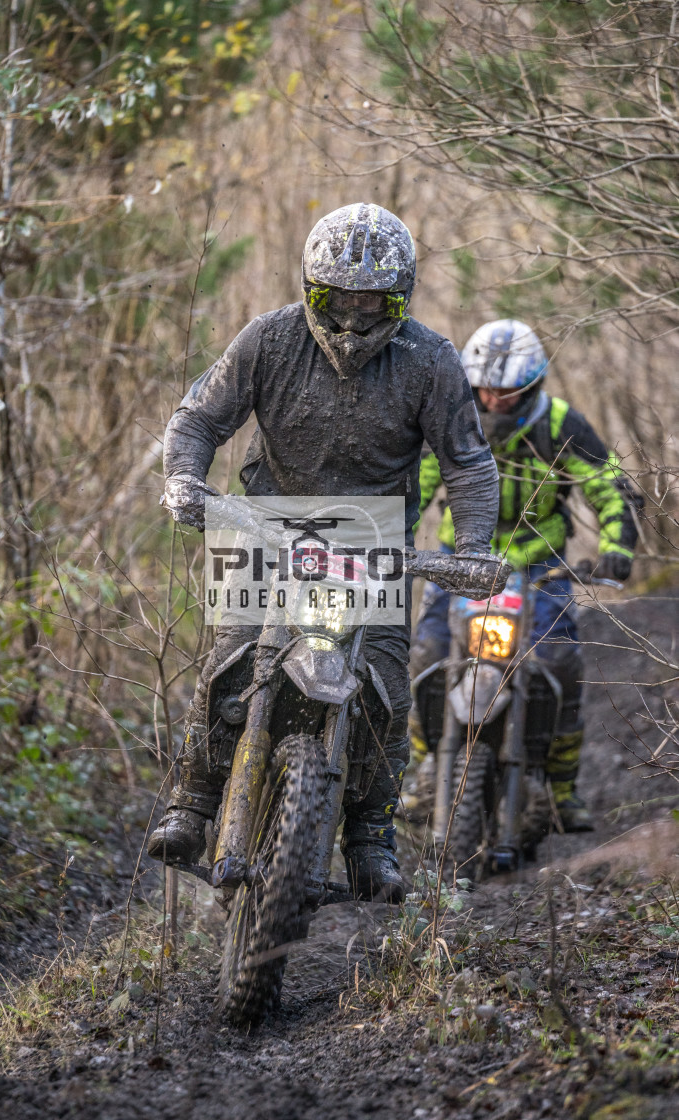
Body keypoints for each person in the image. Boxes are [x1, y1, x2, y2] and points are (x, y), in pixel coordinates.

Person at [146, 203, 500, 901]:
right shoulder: (268, 340)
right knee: (226, 661)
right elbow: (198, 417)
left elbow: (467, 463)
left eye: (373, 298)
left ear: (399, 297)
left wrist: (473, 549)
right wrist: (184, 479)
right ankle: (191, 801)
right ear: (314, 290)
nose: (355, 313)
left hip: (372, 538)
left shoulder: (431, 360)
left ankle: (370, 836)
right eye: (339, 295)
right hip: (263, 521)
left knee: (388, 692)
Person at [407, 319, 641, 831]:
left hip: (541, 565)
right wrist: (390, 538)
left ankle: (561, 789)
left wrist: (617, 547)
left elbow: (608, 485)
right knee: (424, 652)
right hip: (461, 559)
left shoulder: (561, 424)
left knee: (560, 662)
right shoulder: (451, 419)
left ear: (532, 386)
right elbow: (417, 484)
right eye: (485, 390)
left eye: (507, 393)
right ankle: (423, 764)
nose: (494, 402)